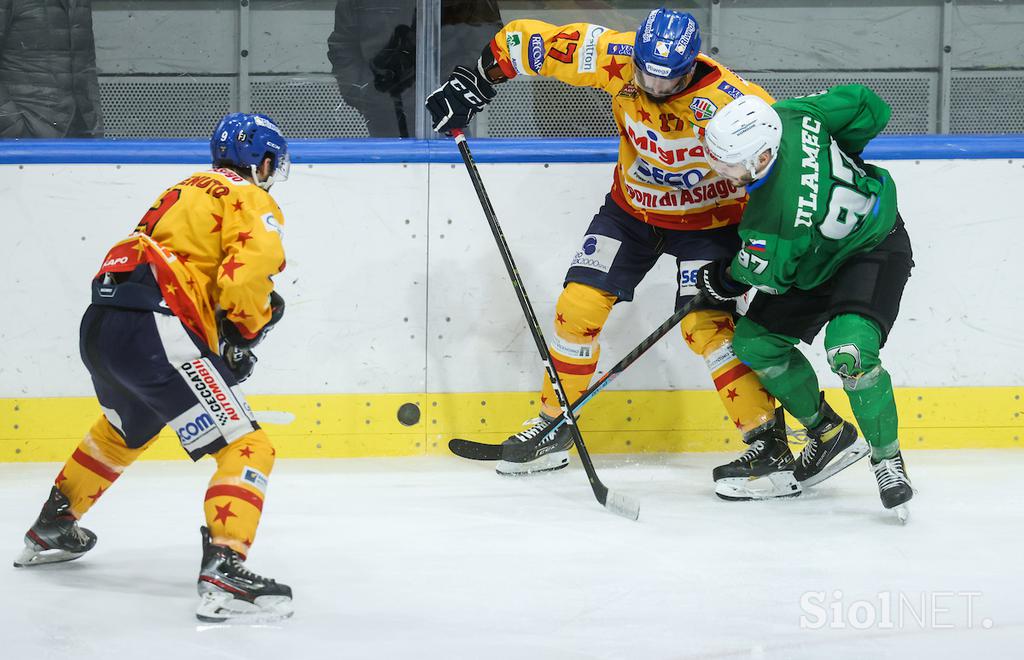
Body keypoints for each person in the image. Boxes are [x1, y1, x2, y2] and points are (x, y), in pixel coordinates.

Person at [427, 8, 801, 495]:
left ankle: (768, 443)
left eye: (669, 81)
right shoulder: (614, 56)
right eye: (647, 74)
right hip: (632, 213)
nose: (654, 88)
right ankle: (553, 425)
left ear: (691, 66)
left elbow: (780, 169)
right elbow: (523, 42)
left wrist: (762, 245)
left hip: (710, 223)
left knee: (706, 326)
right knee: (577, 307)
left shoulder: (731, 103)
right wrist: (476, 81)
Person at [13, 113, 295, 620]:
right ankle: (225, 566)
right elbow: (245, 278)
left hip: (103, 322)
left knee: (129, 426)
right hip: (154, 328)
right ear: (265, 161)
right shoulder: (251, 198)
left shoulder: (184, 188)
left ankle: (55, 522)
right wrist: (246, 334)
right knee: (249, 445)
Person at [693, 88, 915, 519]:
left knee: (850, 351)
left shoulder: (772, 215)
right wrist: (839, 160)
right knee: (756, 343)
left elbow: (766, 276)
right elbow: (872, 106)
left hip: (872, 248)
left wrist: (718, 280)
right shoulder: (792, 114)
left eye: (732, 165)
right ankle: (829, 433)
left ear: (761, 156)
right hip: (814, 255)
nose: (724, 173)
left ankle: (888, 461)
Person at [327, 0, 502, 137]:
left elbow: (487, 46)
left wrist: (457, 94)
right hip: (384, 109)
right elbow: (344, 45)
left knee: (452, 177)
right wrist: (364, 93)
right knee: (386, 177)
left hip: (449, 112)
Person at [0, 0, 103, 137]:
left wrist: (95, 123)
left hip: (79, 131)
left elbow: (86, 64)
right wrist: (14, 129)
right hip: (27, 133)